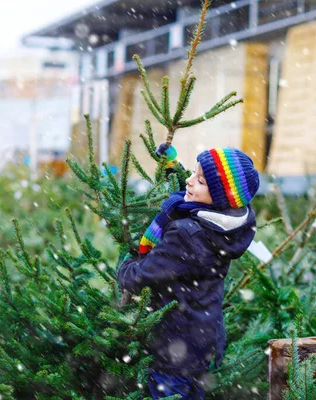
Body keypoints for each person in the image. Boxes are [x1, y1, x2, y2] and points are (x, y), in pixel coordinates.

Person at [117, 145, 260, 400]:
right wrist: (174, 166)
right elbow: (195, 193)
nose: (189, 182)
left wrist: (125, 264)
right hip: (204, 341)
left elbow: (144, 275)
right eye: (193, 173)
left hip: (176, 346)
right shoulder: (230, 224)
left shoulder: (187, 234)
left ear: (219, 197)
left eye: (199, 179)